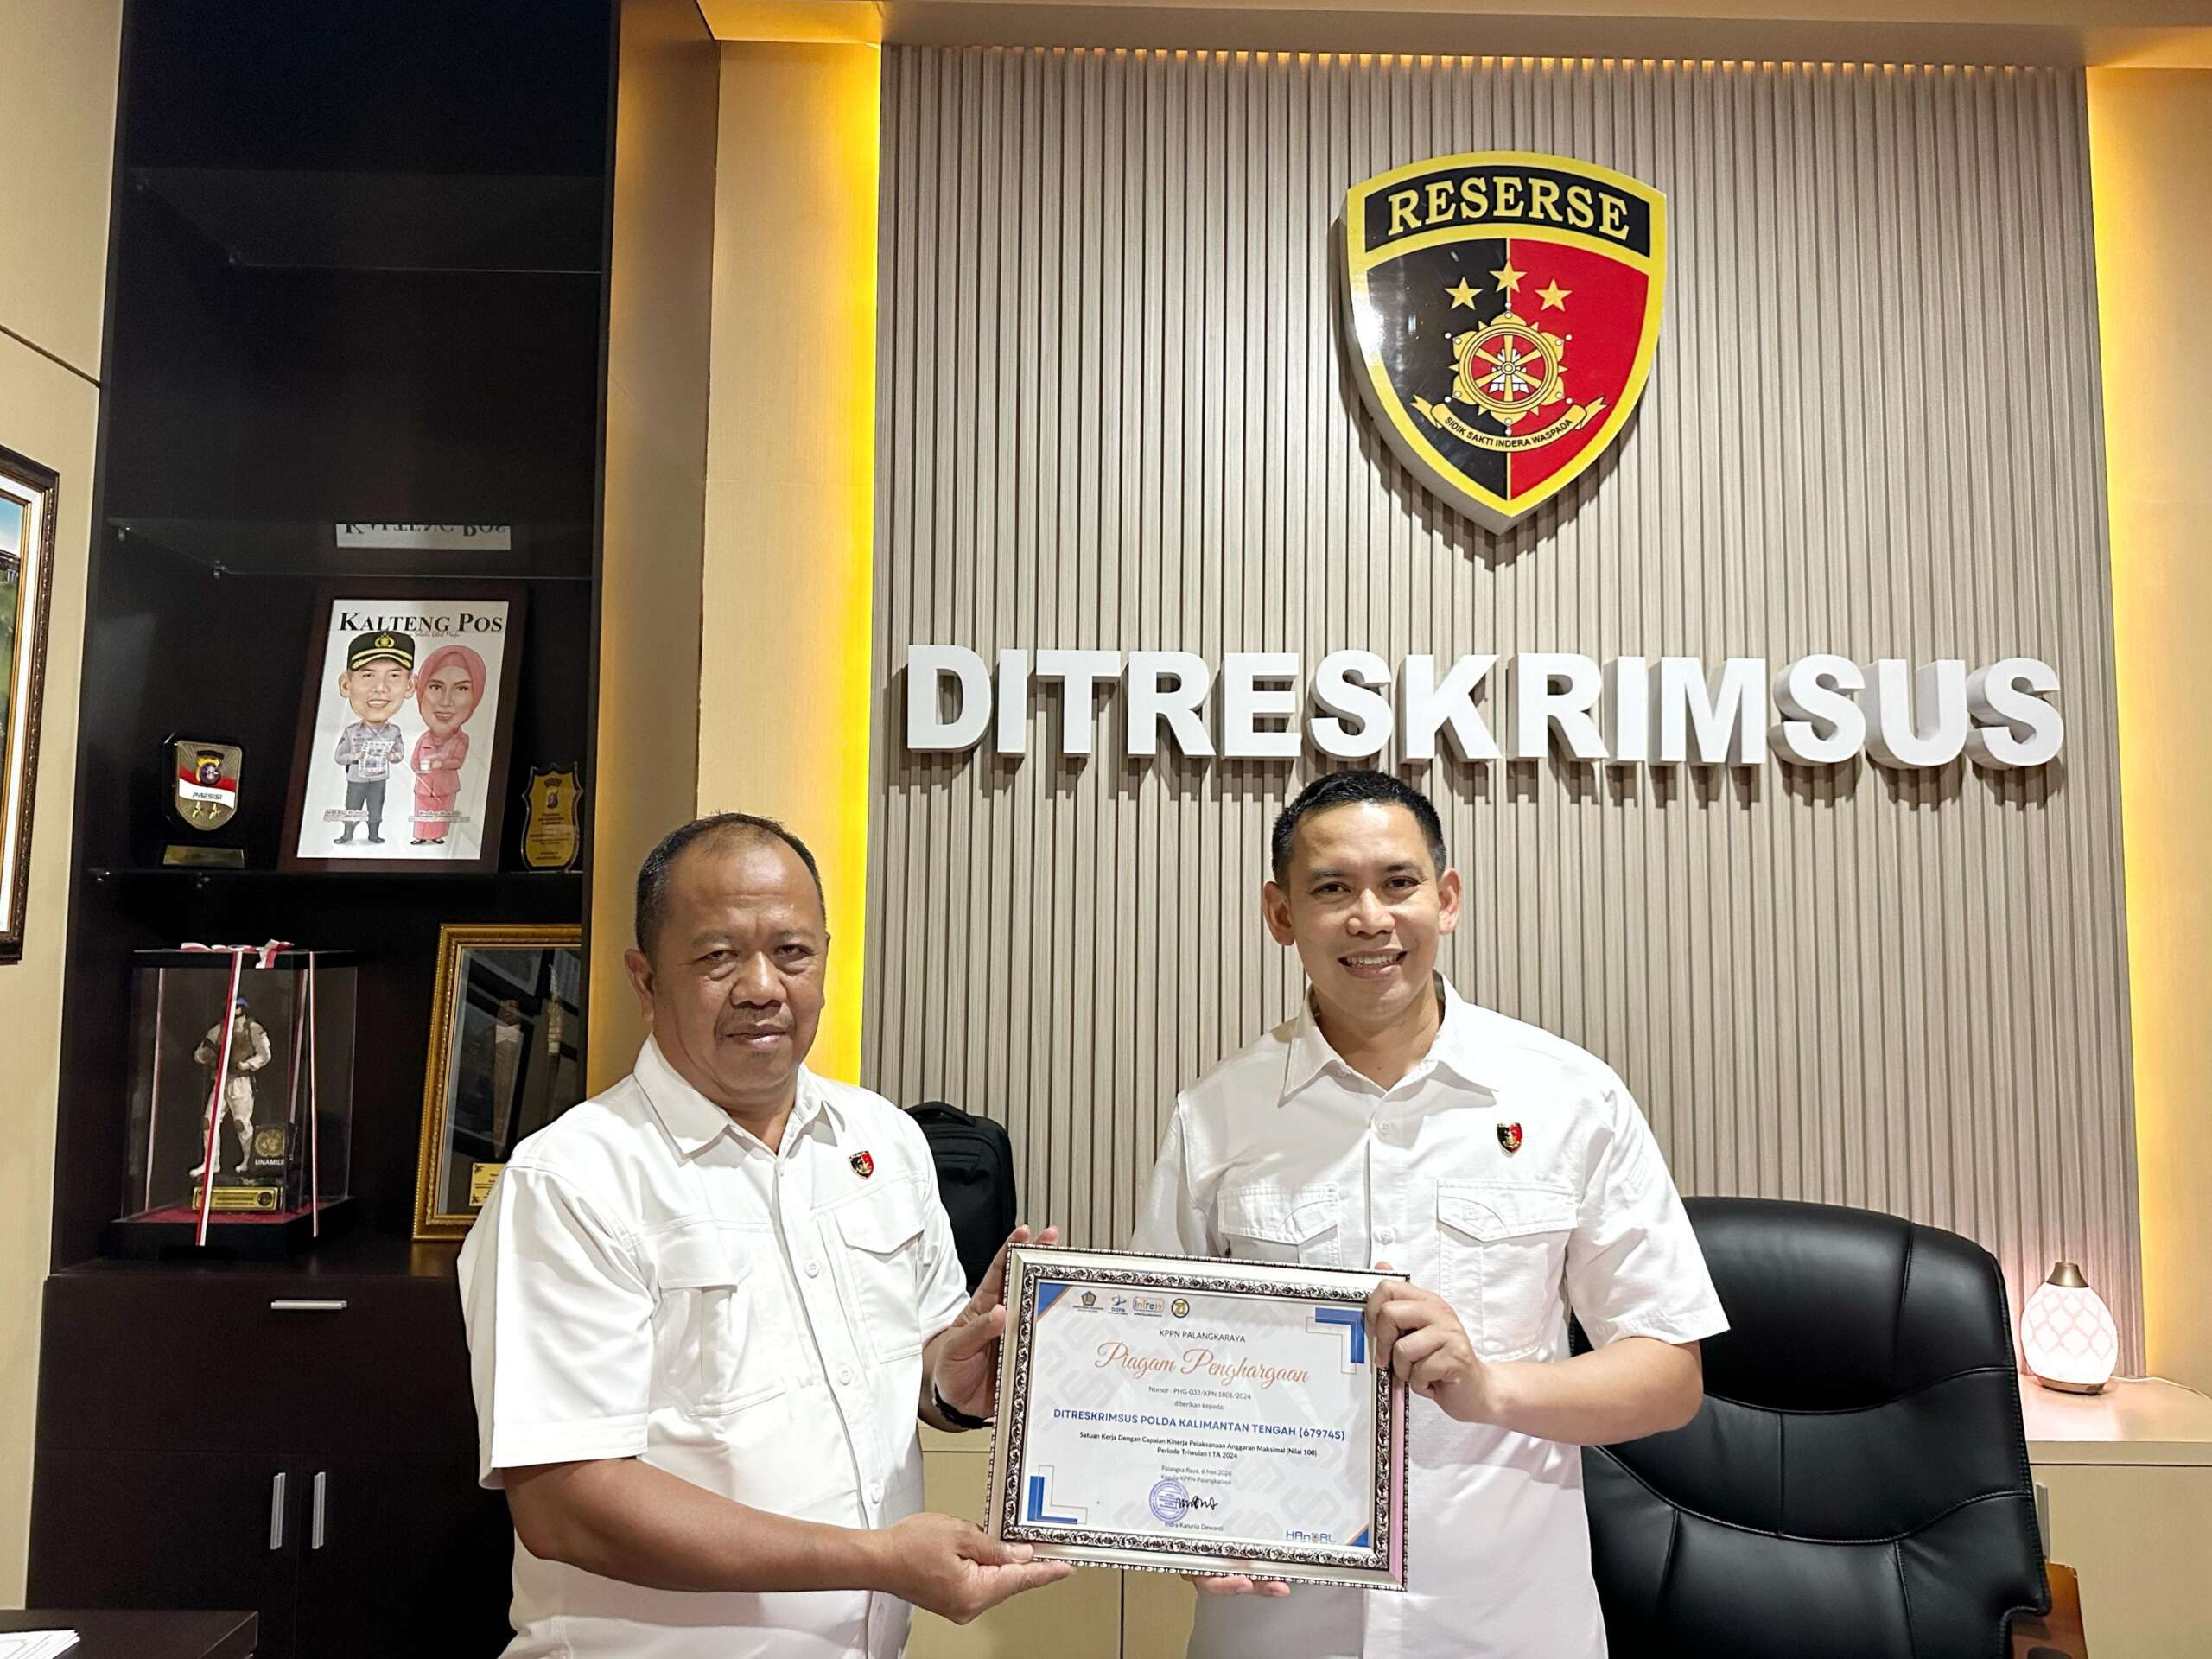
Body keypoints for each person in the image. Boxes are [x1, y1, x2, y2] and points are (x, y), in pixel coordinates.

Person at [1131, 769, 1727, 1659]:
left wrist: (1491, 1388)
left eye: (1398, 883)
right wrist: (1177, 1518)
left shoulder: (1571, 1096)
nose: (1370, 918)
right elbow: (1152, 1366)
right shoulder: (1216, 1115)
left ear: (1445, 900)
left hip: (1505, 1625)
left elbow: (1668, 1377)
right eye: (1332, 889)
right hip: (1278, 1625)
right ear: (1281, 914)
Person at [458, 813, 1070, 1659]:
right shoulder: (570, 1181)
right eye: (718, 957)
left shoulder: (884, 1141)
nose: (761, 987)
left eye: (792, 953)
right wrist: (876, 1559)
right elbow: (566, 1504)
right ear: (645, 980)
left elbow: (916, 1364)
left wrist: (950, 1377)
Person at [328, 630, 411, 845]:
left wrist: (393, 756)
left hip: (379, 778)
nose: (380, 688)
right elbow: (339, 757)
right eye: (368, 675)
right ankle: (347, 834)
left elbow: (400, 753)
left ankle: (374, 834)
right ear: (346, 685)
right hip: (356, 777)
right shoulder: (351, 731)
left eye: (394, 676)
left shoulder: (394, 731)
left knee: (376, 807)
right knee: (352, 806)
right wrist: (355, 756)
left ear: (410, 686)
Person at [409, 641, 486, 846]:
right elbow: (414, 761)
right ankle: (420, 835)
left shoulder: (462, 739)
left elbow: (458, 761)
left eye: (461, 688)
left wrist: (441, 763)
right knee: (422, 810)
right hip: (424, 786)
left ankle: (437, 835)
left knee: (442, 811)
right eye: (435, 687)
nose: (445, 701)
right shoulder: (423, 738)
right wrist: (420, 769)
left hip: (446, 785)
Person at [188, 996, 271, 1181]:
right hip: (221, 1080)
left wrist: (248, 1064)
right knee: (208, 1122)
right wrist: (205, 1056)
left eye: (235, 1007)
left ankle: (250, 1160)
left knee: (241, 1123)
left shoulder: (252, 1029)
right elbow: (201, 1051)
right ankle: (211, 1162)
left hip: (240, 1082)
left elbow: (265, 1054)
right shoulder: (219, 1029)